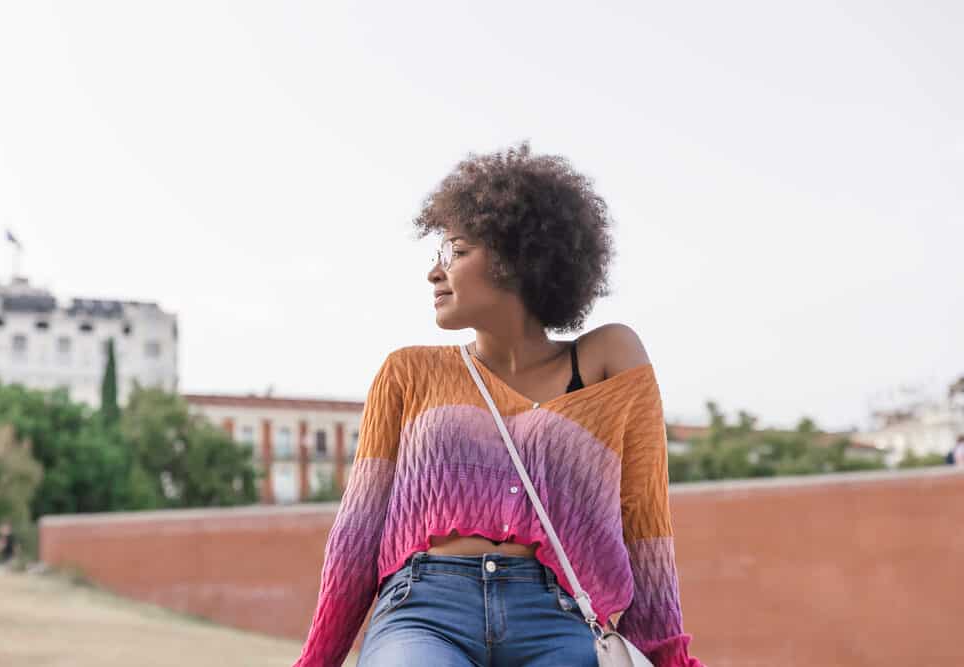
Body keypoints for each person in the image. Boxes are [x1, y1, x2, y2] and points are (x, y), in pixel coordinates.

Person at [294, 144, 704, 667]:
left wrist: (668, 658)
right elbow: (357, 534)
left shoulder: (609, 358)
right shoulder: (409, 372)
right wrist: (316, 661)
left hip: (560, 618)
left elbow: (645, 524)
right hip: (423, 611)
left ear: (517, 258)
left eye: (456, 252)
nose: (434, 273)